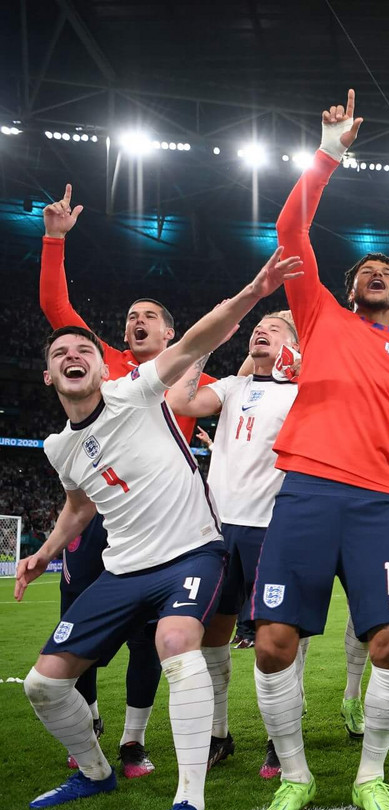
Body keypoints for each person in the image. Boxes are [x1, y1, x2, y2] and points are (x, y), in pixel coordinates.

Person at [15, 247, 299, 810]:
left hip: (193, 553)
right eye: (60, 353)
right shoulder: (56, 447)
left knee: (176, 643)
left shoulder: (137, 391)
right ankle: (94, 773)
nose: (73, 357)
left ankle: (189, 803)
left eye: (84, 350)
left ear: (102, 366)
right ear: (48, 376)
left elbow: (198, 340)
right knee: (42, 684)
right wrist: (43, 553)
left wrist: (252, 292)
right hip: (121, 568)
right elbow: (78, 506)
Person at [250, 89, 389, 810]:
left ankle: (370, 775)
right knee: (271, 641)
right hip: (305, 493)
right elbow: (289, 225)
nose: (374, 272)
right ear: (350, 286)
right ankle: (293, 775)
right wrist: (329, 151)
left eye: (385, 269)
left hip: (376, 508)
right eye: (364, 268)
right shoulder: (319, 312)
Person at [37, 184, 214, 778]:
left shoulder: (189, 375)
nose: (135, 321)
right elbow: (58, 311)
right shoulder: (106, 364)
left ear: (170, 334)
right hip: (105, 525)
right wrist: (55, 240)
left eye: (149, 317)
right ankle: (84, 722)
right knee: (77, 627)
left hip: (167, 528)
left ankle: (134, 741)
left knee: (152, 642)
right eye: (130, 316)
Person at [165, 312, 303, 778]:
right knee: (212, 635)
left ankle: (280, 738)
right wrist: (206, 343)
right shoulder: (230, 386)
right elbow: (180, 400)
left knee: (277, 639)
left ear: (294, 346)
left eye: (276, 327)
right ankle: (219, 734)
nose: (262, 330)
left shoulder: (304, 393)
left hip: (273, 527)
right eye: (257, 326)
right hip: (217, 529)